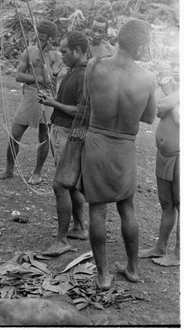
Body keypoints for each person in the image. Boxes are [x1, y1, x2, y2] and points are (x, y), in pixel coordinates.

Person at [80, 19, 157, 290]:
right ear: (140, 48)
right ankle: (133, 268)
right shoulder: (147, 78)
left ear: (119, 39)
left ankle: (102, 276)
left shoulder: (95, 66)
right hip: (125, 146)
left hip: (97, 142)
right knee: (127, 208)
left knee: (97, 212)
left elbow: (87, 102)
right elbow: (149, 117)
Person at [0, 20, 63, 185]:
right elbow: (18, 76)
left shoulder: (57, 56)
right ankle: (8, 170)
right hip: (30, 96)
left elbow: (49, 80)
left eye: (44, 38)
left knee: (44, 136)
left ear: (52, 39)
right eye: (38, 36)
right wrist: (37, 78)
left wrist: (43, 61)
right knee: (14, 134)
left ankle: (37, 173)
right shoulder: (29, 51)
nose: (39, 40)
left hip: (47, 98)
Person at [37, 31, 88, 256]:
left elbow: (83, 111)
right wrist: (53, 101)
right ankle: (78, 227)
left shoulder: (84, 74)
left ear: (78, 51)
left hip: (70, 132)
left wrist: (54, 104)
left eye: (65, 51)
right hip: (63, 130)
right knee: (72, 184)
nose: (61, 54)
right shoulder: (73, 70)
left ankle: (62, 240)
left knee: (61, 185)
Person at [139, 50, 180, 266]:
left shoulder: (170, 88)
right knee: (166, 203)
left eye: (179, 65)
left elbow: (179, 119)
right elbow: (159, 109)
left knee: (180, 203)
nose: (175, 68)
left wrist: (175, 93)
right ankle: (160, 246)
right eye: (173, 64)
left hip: (179, 155)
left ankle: (178, 253)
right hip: (163, 154)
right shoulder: (169, 87)